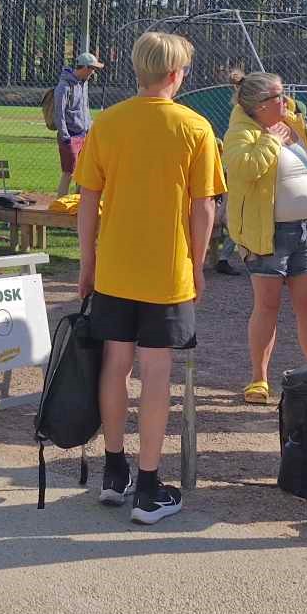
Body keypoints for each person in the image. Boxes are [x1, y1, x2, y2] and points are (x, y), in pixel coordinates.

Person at [75, 31, 221, 526]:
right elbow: (203, 207)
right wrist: (197, 264)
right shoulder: (195, 127)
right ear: (177, 75)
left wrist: (87, 263)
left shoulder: (109, 123)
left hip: (115, 265)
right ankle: (150, 485)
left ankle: (114, 472)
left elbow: (89, 201)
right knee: (156, 373)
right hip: (167, 270)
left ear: (138, 70)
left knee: (116, 364)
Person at [223, 71, 307, 406]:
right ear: (257, 106)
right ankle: (258, 379)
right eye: (277, 97)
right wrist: (272, 138)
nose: (285, 102)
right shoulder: (240, 133)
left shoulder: (296, 125)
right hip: (267, 234)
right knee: (267, 306)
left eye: (284, 94)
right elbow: (244, 169)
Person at [52, 51, 102, 194]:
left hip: (84, 134)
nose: (93, 72)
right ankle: (60, 206)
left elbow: (84, 109)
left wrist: (89, 129)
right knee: (69, 173)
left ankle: (78, 205)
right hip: (70, 136)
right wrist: (66, 136)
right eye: (93, 69)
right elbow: (59, 114)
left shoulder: (83, 84)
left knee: (83, 173)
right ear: (85, 68)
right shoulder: (64, 87)